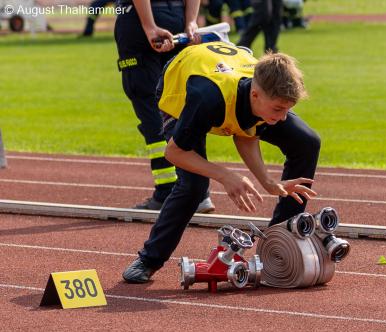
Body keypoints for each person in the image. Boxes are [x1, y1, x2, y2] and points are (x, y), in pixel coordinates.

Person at [122, 41, 320, 283]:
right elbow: (174, 153)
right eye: (278, 109)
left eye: (288, 110)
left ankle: (277, 245)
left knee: (307, 142)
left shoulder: (261, 93)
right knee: (194, 186)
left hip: (229, 78)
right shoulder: (205, 98)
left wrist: (268, 183)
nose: (282, 118)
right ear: (256, 95)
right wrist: (225, 175)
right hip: (181, 89)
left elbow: (245, 133)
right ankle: (149, 259)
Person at [114, 0, 215, 212]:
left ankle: (168, 191)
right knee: (182, 106)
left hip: (140, 22)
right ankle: (199, 191)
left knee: (151, 109)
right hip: (178, 18)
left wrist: (149, 26)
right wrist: (190, 22)